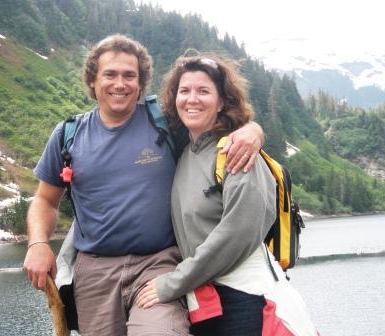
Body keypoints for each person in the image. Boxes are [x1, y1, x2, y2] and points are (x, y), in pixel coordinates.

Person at [23, 34, 264, 336]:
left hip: (158, 263)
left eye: (129, 75)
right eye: (110, 74)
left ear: (141, 82)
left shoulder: (163, 122)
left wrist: (253, 130)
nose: (120, 84)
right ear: (93, 81)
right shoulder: (68, 135)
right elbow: (45, 200)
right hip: (95, 274)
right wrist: (38, 243)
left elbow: (208, 119)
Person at [136, 52, 319, 336]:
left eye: (203, 91)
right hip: (207, 297)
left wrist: (172, 284)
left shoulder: (237, 153)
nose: (192, 99)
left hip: (247, 298)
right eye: (184, 91)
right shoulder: (185, 151)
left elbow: (236, 234)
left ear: (222, 102)